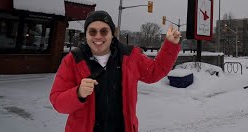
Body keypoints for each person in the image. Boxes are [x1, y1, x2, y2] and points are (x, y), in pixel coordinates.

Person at [49, 10, 181, 132]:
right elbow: (57, 101)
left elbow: (154, 72)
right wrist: (78, 93)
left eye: (104, 31)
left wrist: (170, 45)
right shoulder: (73, 60)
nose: (98, 36)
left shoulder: (130, 56)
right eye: (92, 32)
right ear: (87, 35)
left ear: (112, 34)